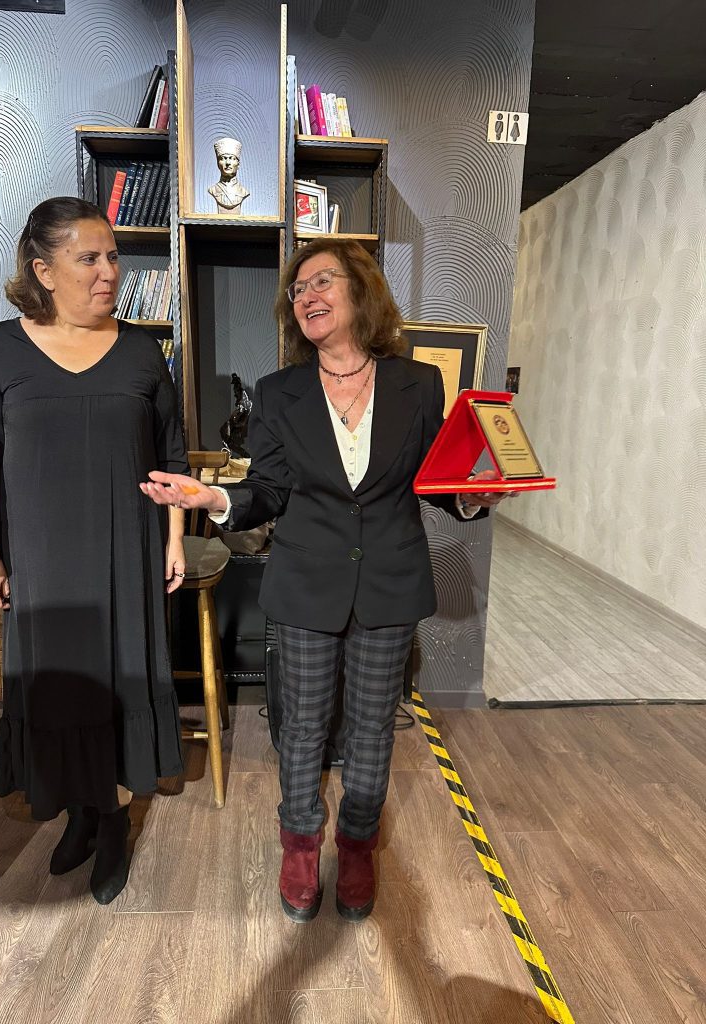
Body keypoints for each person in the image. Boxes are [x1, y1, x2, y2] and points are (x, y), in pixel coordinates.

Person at [141, 238, 510, 922]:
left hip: (390, 584)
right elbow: (269, 490)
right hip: (306, 585)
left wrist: (471, 497)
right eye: (297, 290)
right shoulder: (279, 392)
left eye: (321, 282)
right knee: (302, 727)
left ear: (360, 291)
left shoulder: (418, 384)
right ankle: (301, 845)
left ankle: (359, 845)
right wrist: (214, 500)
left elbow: (435, 483)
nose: (306, 296)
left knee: (372, 729)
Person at [0, 197, 188, 905]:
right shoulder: (0, 349)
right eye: (88, 258)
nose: (108, 271)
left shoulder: (142, 351)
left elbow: (172, 455)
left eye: (112, 256)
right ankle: (81, 813)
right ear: (44, 270)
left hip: (126, 552)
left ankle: (113, 820)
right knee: (59, 689)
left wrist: (174, 540)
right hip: (42, 559)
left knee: (120, 681)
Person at [207, 137, 250, 214]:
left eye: (232, 158)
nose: (227, 163)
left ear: (238, 164)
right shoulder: (213, 190)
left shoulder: (243, 191)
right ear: (218, 164)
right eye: (223, 158)